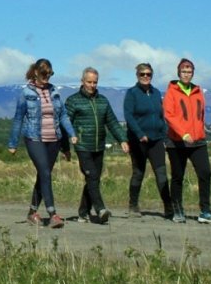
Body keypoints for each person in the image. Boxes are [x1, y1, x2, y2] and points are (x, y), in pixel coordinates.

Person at [7, 58, 78, 229]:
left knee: (43, 175)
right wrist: (13, 143)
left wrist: (72, 134)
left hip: (53, 139)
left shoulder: (54, 92)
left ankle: (32, 212)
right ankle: (53, 214)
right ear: (36, 72)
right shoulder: (26, 93)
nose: (47, 77)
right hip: (34, 138)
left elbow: (63, 116)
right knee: (45, 173)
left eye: (50, 74)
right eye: (44, 73)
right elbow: (18, 119)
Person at [65, 67, 129, 224]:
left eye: (95, 82)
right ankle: (100, 209)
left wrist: (122, 139)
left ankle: (83, 212)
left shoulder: (103, 101)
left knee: (93, 179)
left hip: (99, 146)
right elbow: (65, 123)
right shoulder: (73, 101)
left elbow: (112, 122)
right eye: (89, 82)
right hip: (82, 146)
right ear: (82, 81)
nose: (92, 85)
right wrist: (65, 145)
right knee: (92, 176)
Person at [164, 58, 211, 224]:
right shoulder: (172, 92)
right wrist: (183, 133)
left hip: (198, 141)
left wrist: (200, 132)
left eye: (189, 71)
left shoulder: (197, 91)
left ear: (193, 73)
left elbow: (200, 115)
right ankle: (178, 210)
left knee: (205, 173)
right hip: (177, 142)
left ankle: (205, 210)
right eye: (183, 71)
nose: (186, 74)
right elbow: (169, 115)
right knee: (178, 176)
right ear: (178, 73)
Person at [123, 63, 172, 218]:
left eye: (148, 74)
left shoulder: (156, 93)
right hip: (138, 141)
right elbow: (129, 116)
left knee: (161, 173)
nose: (145, 77)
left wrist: (165, 136)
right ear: (137, 75)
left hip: (156, 139)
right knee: (138, 172)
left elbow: (160, 116)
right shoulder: (132, 93)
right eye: (142, 74)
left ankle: (169, 207)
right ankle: (133, 205)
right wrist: (139, 133)